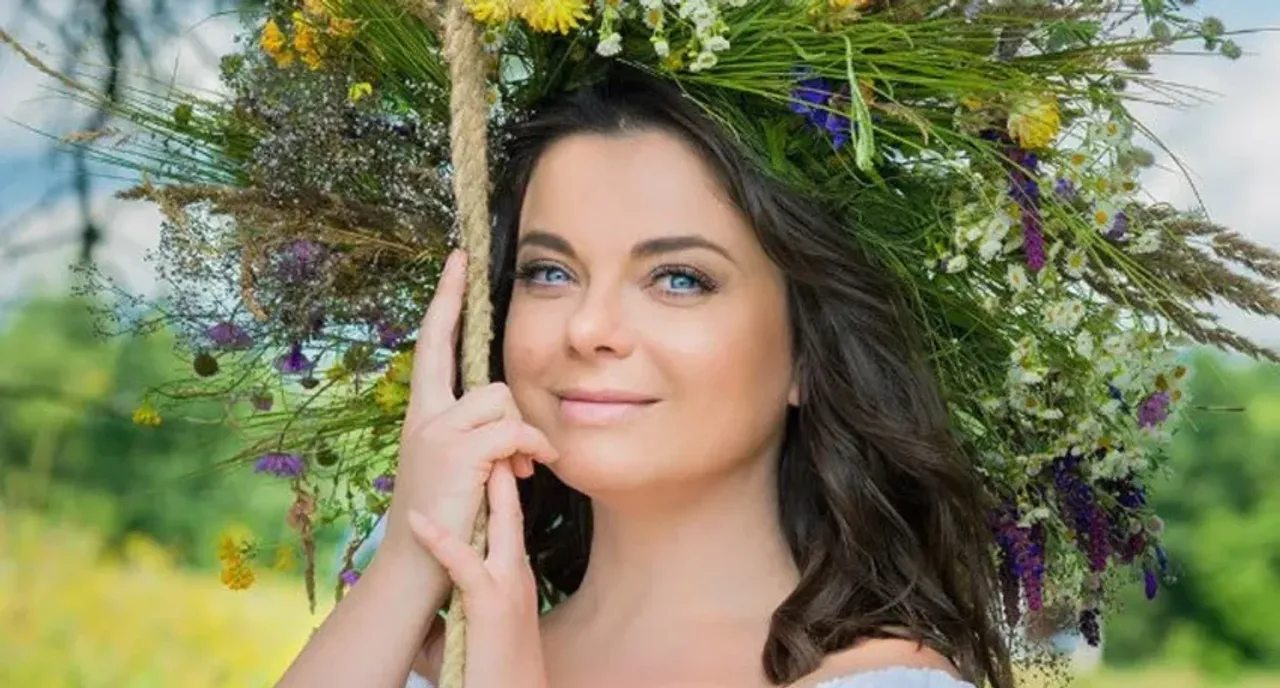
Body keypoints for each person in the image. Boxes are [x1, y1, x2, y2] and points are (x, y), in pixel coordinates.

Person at [276, 70, 1014, 688]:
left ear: (806, 354)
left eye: (680, 279)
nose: (587, 327)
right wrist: (410, 558)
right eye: (550, 272)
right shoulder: (419, 660)